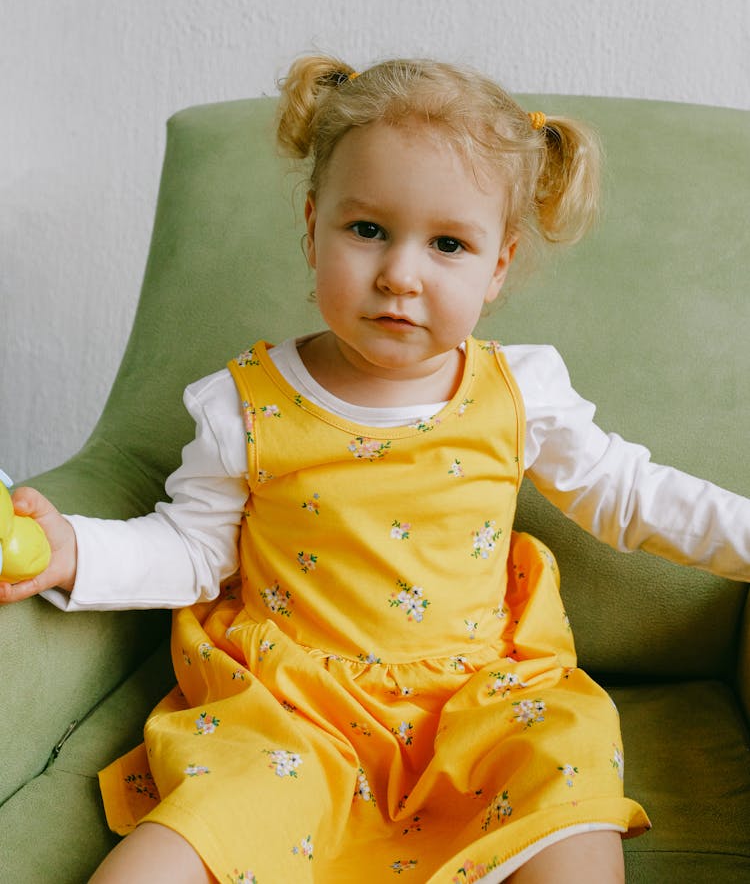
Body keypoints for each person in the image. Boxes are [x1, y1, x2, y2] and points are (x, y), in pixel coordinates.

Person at [3, 55, 749, 884]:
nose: (401, 273)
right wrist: (73, 549)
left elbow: (632, 495)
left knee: (567, 794)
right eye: (367, 231)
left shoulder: (518, 392)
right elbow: (190, 548)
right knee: (155, 863)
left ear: (497, 266)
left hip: (482, 703)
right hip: (292, 714)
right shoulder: (245, 404)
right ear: (314, 225)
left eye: (448, 244)